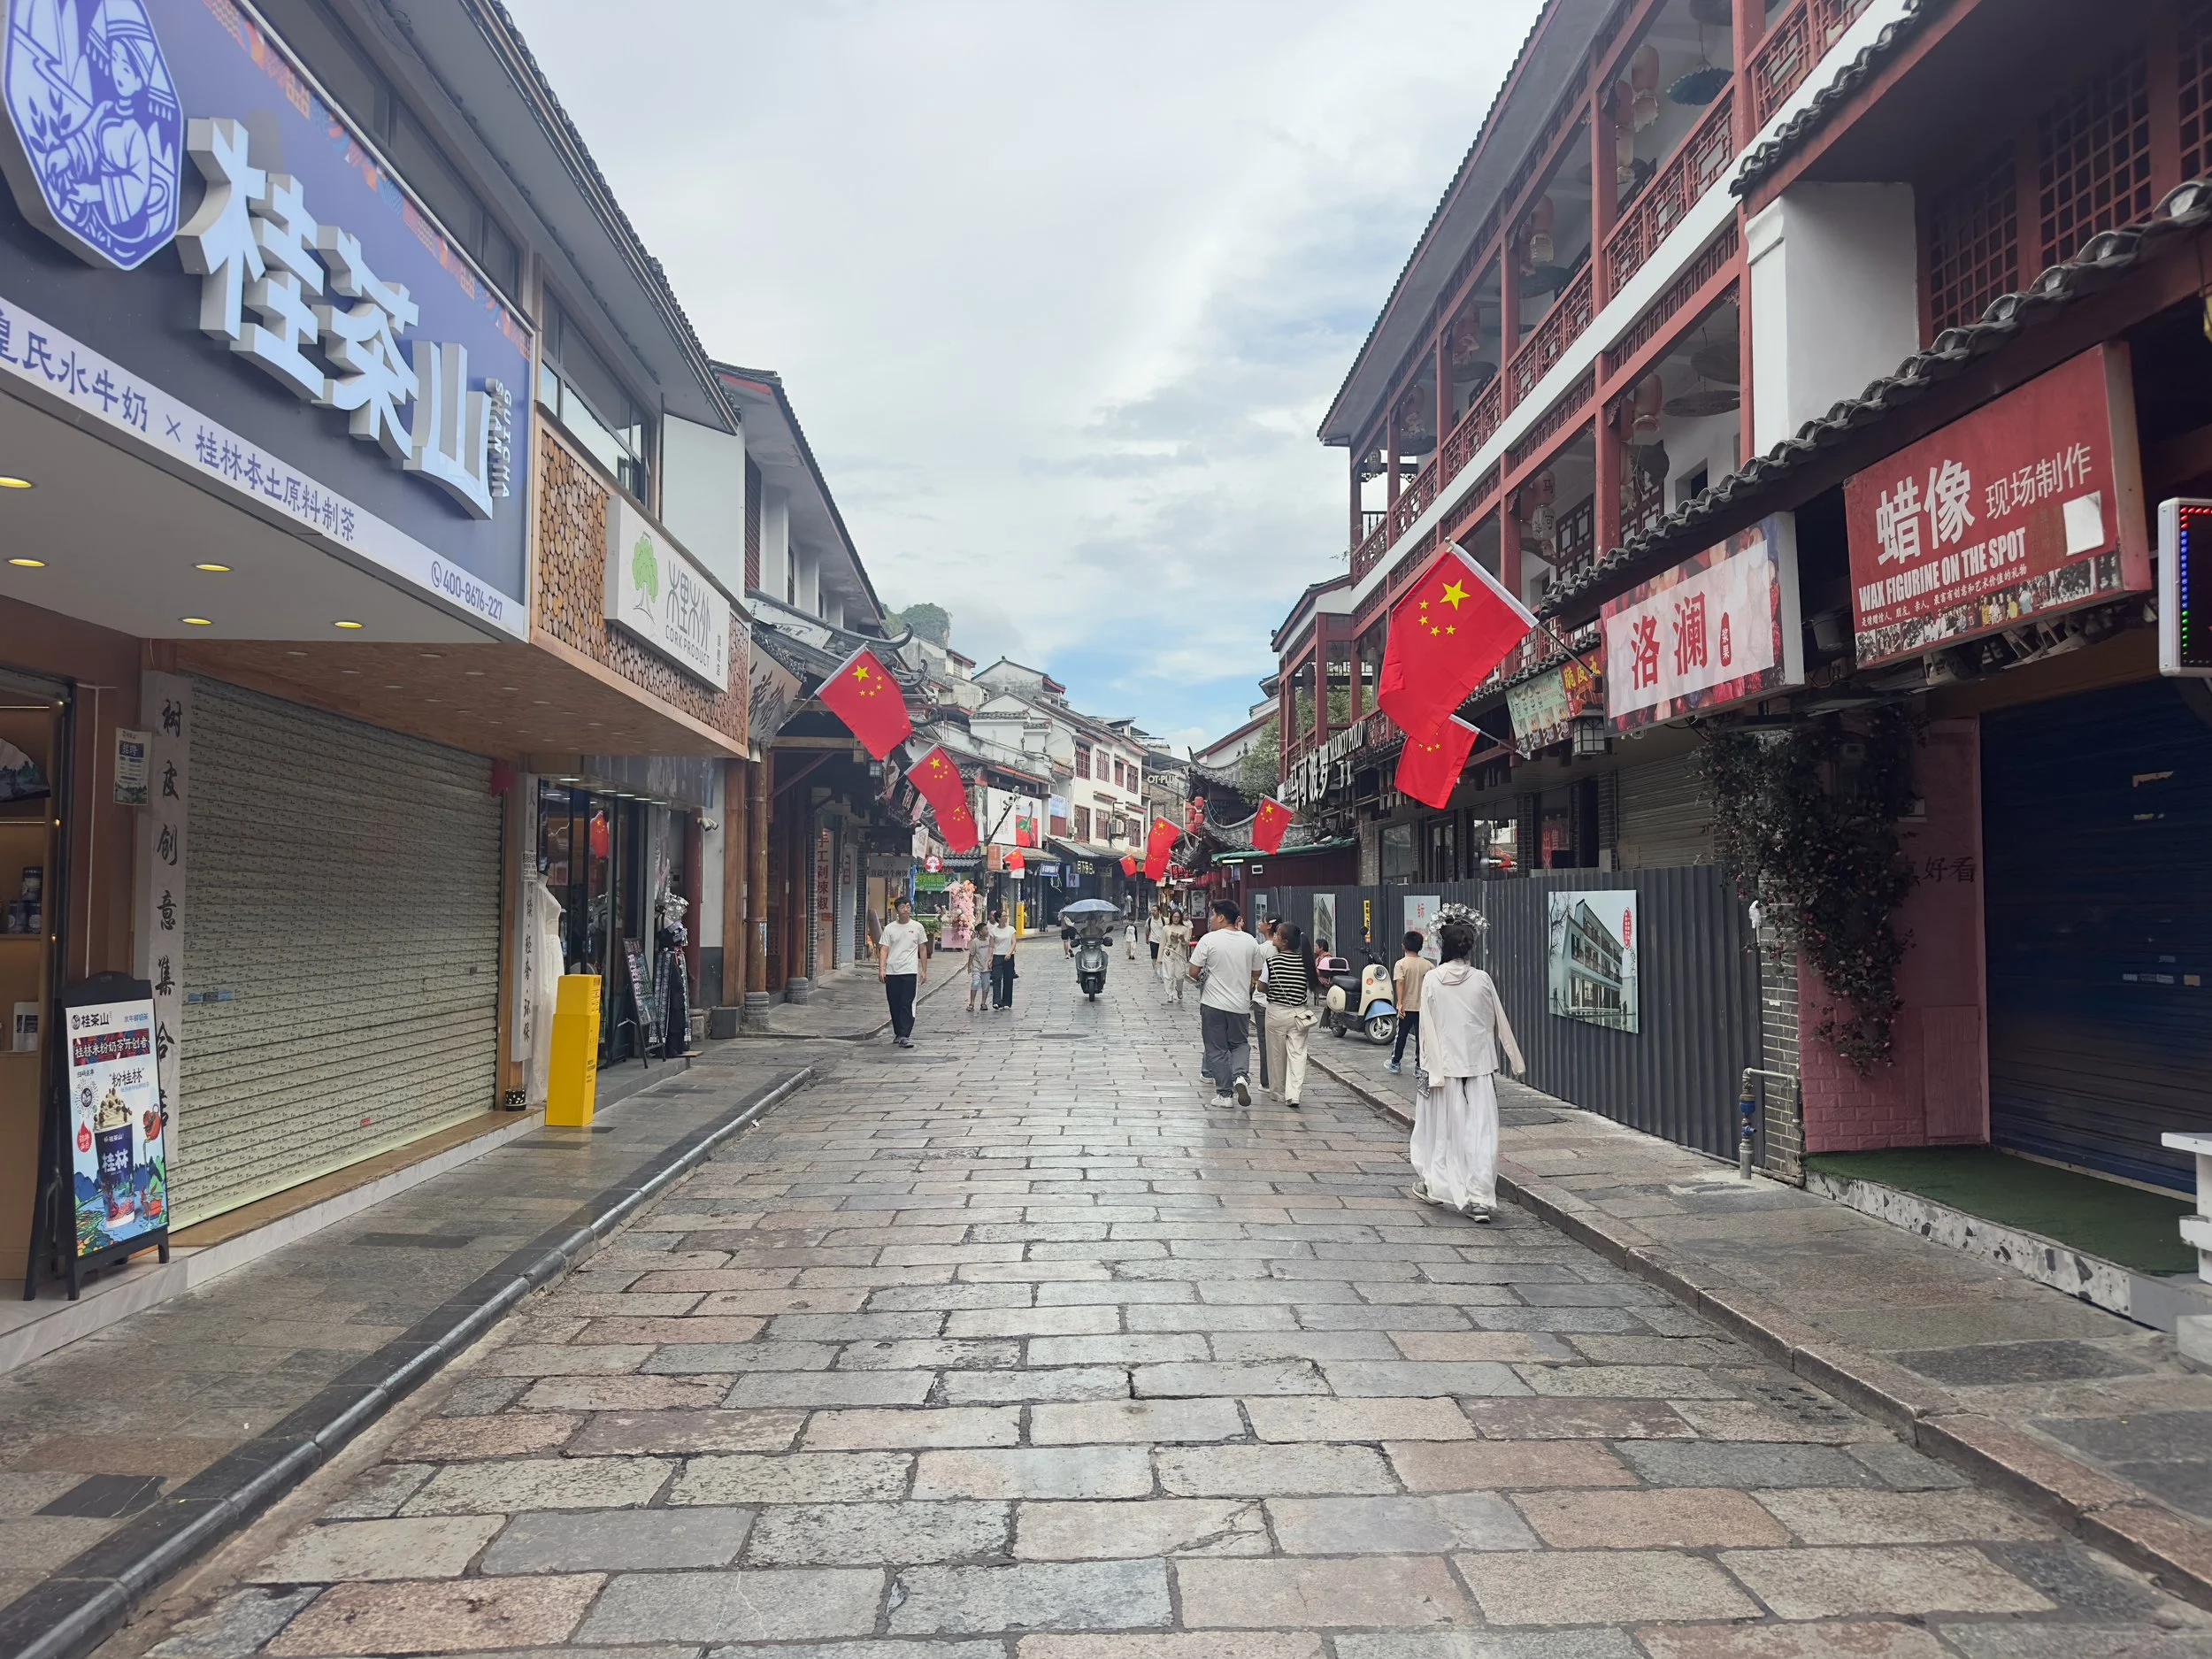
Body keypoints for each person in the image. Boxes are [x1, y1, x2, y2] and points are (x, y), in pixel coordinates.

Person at [1409, 918, 1525, 1221]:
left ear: (1442, 946)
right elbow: (1495, 1017)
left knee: (1444, 1132)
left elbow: (1427, 1028)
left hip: (1444, 1068)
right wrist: (1514, 1057)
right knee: (1481, 1132)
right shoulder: (1482, 979)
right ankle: (1480, 1199)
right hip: (1479, 1066)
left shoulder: (1433, 980)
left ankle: (1437, 1184)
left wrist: (1429, 1068)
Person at [1188, 899, 1265, 1107]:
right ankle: (1240, 1076)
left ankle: (1224, 1094)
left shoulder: (1209, 940)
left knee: (1216, 1048)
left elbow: (1193, 972)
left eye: (1213, 915)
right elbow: (1257, 973)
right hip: (1240, 1005)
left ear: (1221, 917)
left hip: (1213, 1004)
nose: (1211, 919)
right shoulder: (1250, 941)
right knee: (1239, 1043)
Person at [1261, 921, 1317, 1109]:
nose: (1274, 937)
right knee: (1298, 1054)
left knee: (1276, 1054)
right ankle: (1294, 1094)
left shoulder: (1272, 962)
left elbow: (1262, 985)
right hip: (1299, 1013)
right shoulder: (1305, 962)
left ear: (1284, 942)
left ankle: (1278, 1092)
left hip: (1276, 1012)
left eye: (1277, 934)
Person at [878, 895, 928, 1049]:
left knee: (907, 1002)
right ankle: (898, 1032)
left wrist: (924, 970)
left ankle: (905, 1034)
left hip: (909, 970)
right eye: (902, 907)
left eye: (908, 906)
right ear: (897, 910)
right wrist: (881, 969)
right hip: (892, 971)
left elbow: (923, 948)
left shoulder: (917, 927)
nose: (906, 909)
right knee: (894, 1003)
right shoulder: (890, 928)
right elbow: (884, 949)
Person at [1389, 929, 1432, 1076]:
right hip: (1423, 1008)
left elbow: (1400, 983)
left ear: (1403, 946)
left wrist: (1400, 1003)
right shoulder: (1429, 965)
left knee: (1401, 1035)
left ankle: (1395, 1063)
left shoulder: (1401, 964)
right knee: (1422, 1038)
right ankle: (1419, 1067)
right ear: (1420, 946)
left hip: (1406, 1007)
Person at [1252, 919, 1279, 1092]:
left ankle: (1266, 1081)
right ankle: (1280, 1080)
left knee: (1264, 1041)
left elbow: (1256, 975)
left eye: (1262, 922)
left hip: (1262, 999)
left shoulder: (1261, 949)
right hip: (1282, 1002)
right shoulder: (1285, 950)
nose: (1258, 924)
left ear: (1269, 926)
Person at [988, 907, 1018, 1011]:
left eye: (1006, 916)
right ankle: (996, 1001)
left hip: (1009, 956)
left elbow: (1014, 942)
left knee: (1008, 979)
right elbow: (991, 946)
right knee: (996, 978)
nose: (1006, 918)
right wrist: (990, 958)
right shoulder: (993, 931)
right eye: (1004, 916)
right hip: (997, 955)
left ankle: (1007, 1002)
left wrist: (1009, 953)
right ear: (999, 918)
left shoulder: (1011, 929)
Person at [1161, 907, 1190, 1005]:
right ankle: (1170, 994)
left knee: (1180, 975)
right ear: (1171, 917)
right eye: (1174, 917)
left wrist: (1183, 940)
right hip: (1168, 953)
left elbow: (1186, 944)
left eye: (1178, 917)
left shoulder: (1184, 929)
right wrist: (1159, 958)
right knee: (1168, 975)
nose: (1176, 919)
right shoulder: (1166, 928)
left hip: (1180, 954)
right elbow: (1162, 943)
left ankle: (1179, 989)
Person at [965, 918, 995, 1015]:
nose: (987, 931)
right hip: (977, 966)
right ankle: (972, 1003)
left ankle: (983, 1003)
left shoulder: (990, 940)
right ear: (980, 932)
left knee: (986, 985)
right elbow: (971, 955)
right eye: (985, 929)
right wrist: (969, 966)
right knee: (975, 983)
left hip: (987, 967)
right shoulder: (975, 942)